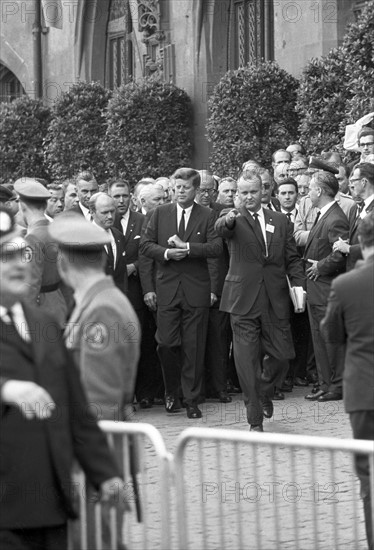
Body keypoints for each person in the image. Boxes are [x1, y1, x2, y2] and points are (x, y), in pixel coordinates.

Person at [0, 206, 125, 550]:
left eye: (16, 252)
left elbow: (78, 411)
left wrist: (107, 473)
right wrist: (6, 388)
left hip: (50, 506)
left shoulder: (44, 323)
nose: (15, 263)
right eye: (1, 256)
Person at [215, 173, 305, 432]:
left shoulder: (279, 221)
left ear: (263, 191)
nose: (247, 197)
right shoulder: (233, 218)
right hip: (242, 301)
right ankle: (255, 418)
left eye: (252, 192)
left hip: (274, 299)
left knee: (282, 356)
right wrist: (229, 218)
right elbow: (221, 228)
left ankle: (264, 390)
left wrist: (299, 287)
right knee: (245, 361)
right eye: (242, 193)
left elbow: (292, 259)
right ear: (237, 195)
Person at [140, 167, 223, 419]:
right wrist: (166, 253)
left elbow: (216, 247)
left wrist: (187, 248)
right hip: (167, 288)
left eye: (185, 187)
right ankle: (171, 390)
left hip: (196, 289)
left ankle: (191, 399)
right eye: (176, 187)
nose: (179, 191)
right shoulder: (159, 213)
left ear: (196, 189)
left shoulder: (208, 215)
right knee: (165, 343)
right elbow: (145, 245)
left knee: (193, 347)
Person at [50, 213, 140, 422]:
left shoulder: (102, 310)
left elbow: (101, 401)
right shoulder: (100, 301)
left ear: (62, 263)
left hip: (97, 442)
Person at [321, 212, 374, 550]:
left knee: (368, 478)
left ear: (363, 243)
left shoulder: (345, 285)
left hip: (364, 390)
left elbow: (332, 333)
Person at [303, 169, 349, 402]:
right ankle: (325, 383)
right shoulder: (324, 214)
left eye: (310, 188)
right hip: (317, 290)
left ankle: (336, 385)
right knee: (319, 340)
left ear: (319, 191)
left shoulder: (336, 217)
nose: (307, 192)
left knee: (329, 340)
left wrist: (320, 266)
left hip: (326, 289)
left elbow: (340, 254)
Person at [14, 178, 67, 327]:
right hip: (59, 306)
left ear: (22, 205)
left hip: (41, 313)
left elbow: (30, 286)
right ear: (44, 204)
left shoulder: (32, 239)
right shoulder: (56, 232)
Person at [333, 163, 374, 270]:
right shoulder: (358, 207)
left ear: (364, 182)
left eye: (353, 181)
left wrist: (350, 248)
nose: (350, 185)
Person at [89, 192, 128, 294]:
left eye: (112, 211)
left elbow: (121, 273)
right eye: (105, 212)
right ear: (92, 212)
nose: (110, 216)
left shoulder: (118, 235)